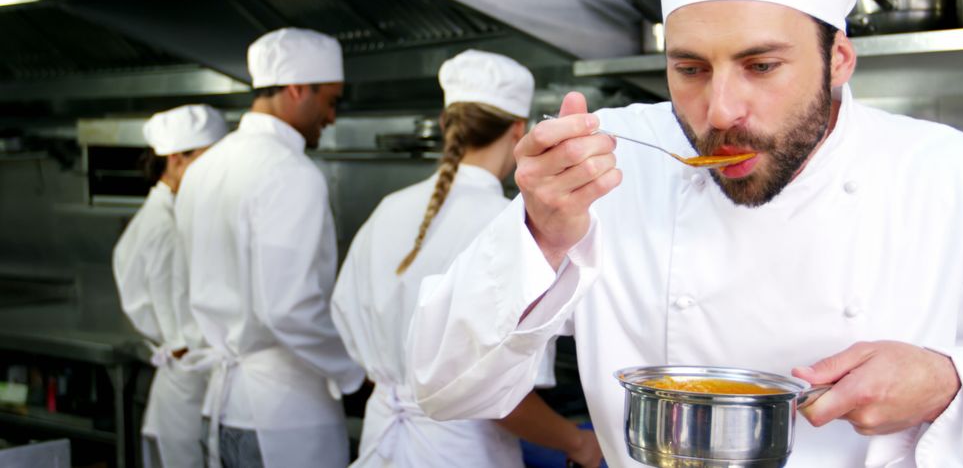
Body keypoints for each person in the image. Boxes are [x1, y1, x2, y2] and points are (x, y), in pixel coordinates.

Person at [406, 0, 963, 466]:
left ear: (839, 59)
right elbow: (443, 389)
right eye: (690, 69)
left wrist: (951, 385)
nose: (720, 111)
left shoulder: (952, 176)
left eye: (761, 66)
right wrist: (541, 237)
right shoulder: (611, 158)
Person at [330, 50, 603, 467]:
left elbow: (350, 332)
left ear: (445, 124)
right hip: (460, 451)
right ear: (519, 130)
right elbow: (507, 403)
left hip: (382, 437)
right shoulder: (512, 226)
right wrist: (577, 442)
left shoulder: (389, 207)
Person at [174, 28, 363, 468]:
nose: (331, 117)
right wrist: (355, 370)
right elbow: (288, 308)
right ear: (297, 89)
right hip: (285, 415)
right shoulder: (291, 172)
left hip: (223, 409)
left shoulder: (205, 168)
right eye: (330, 101)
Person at [113, 104, 227, 468]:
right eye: (210, 161)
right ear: (178, 159)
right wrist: (190, 348)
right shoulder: (165, 226)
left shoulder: (168, 214)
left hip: (185, 383)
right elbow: (176, 319)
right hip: (187, 386)